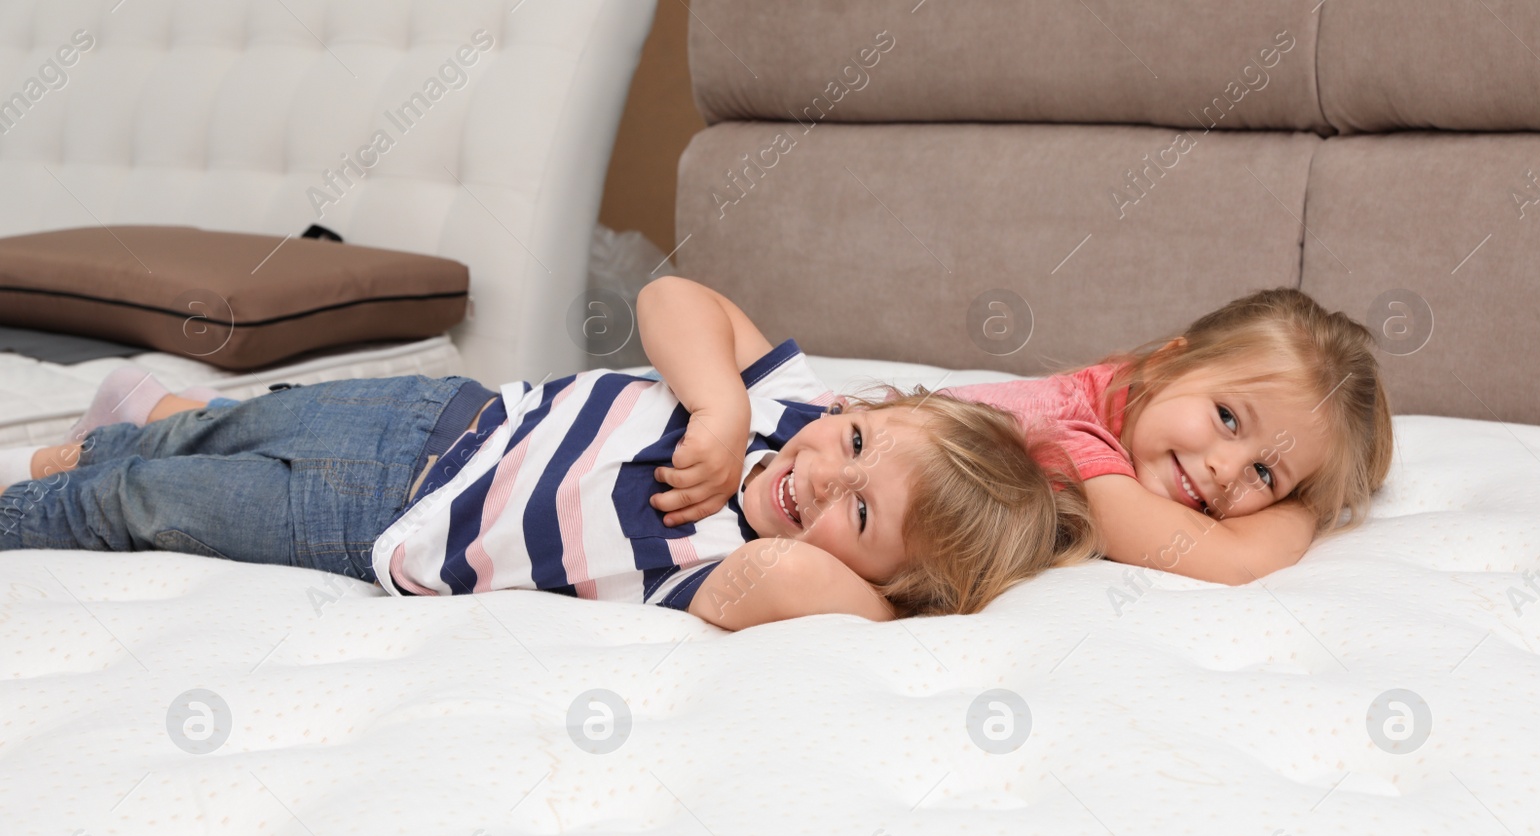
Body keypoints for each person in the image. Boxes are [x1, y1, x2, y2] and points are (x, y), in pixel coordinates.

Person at [0, 304, 1098, 631]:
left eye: (858, 514)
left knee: (148, 501)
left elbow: (806, 590)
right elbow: (675, 301)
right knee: (212, 431)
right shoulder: (781, 406)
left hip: (381, 527)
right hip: (441, 412)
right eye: (855, 445)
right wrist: (719, 401)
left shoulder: (731, 564)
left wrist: (897, 597)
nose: (820, 479)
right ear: (856, 408)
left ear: (878, 578)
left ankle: (61, 486)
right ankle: (129, 423)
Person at [648, 282, 1394, 586]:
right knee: (715, 361)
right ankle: (721, 404)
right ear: (1166, 366)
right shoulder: (1078, 448)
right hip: (842, 453)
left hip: (859, 459)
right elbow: (1229, 561)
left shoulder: (1129, 402)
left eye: (1268, 475)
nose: (1228, 470)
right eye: (1228, 418)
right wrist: (1308, 505)